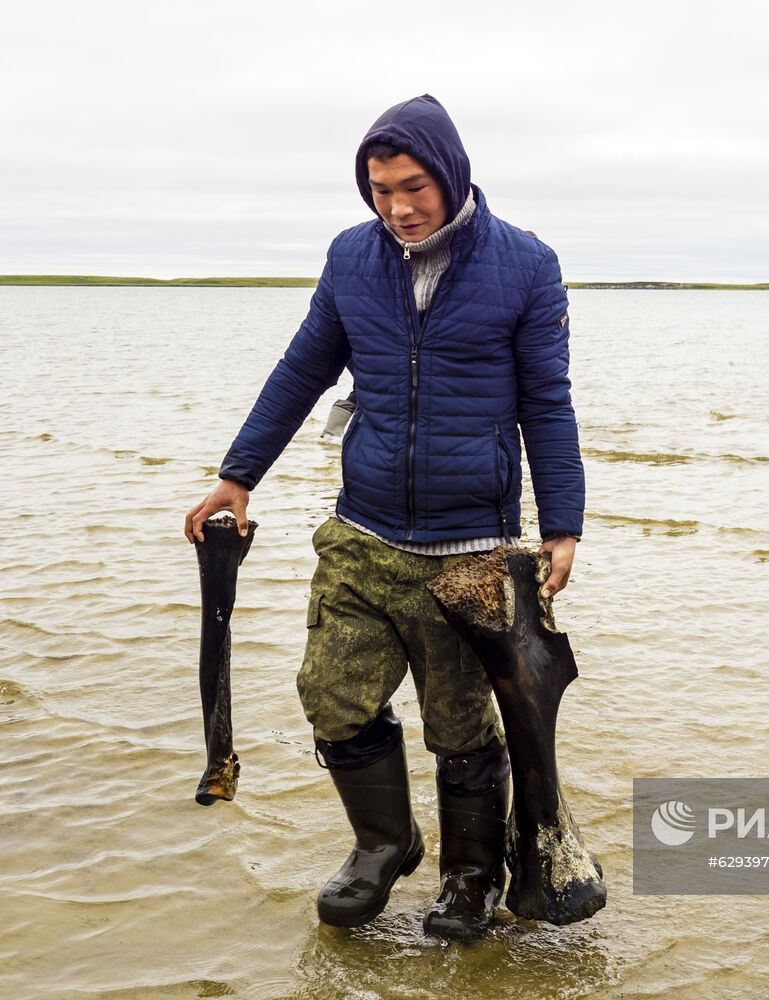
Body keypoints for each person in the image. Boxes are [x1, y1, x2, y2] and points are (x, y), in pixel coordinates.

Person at [183, 95, 584, 939]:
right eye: (377, 189)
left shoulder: (525, 264)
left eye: (412, 187)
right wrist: (237, 475)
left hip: (470, 549)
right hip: (361, 531)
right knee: (333, 697)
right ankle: (382, 844)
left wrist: (561, 524)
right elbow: (303, 371)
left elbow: (548, 402)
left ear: (451, 174)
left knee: (462, 725)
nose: (397, 207)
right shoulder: (350, 257)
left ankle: (470, 878)